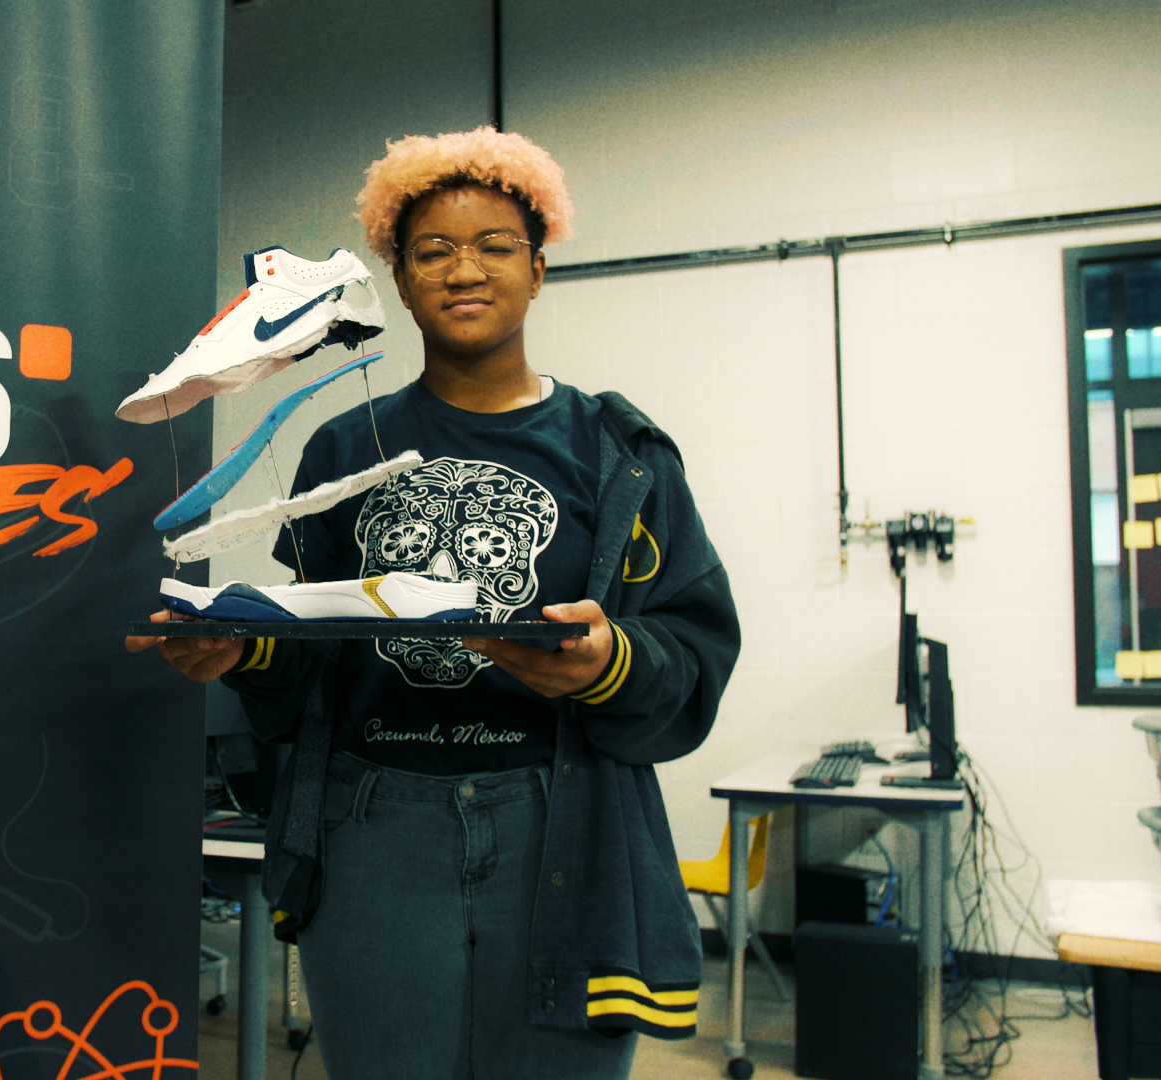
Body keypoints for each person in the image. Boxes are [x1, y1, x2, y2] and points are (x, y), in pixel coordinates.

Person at [130, 127, 739, 1079]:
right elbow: (314, 654)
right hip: (375, 828)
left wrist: (608, 660)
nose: (464, 269)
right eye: (432, 251)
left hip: (563, 822)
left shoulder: (619, 454)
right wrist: (244, 649)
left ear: (538, 270)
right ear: (401, 283)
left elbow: (695, 649)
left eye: (495, 245)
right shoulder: (342, 450)